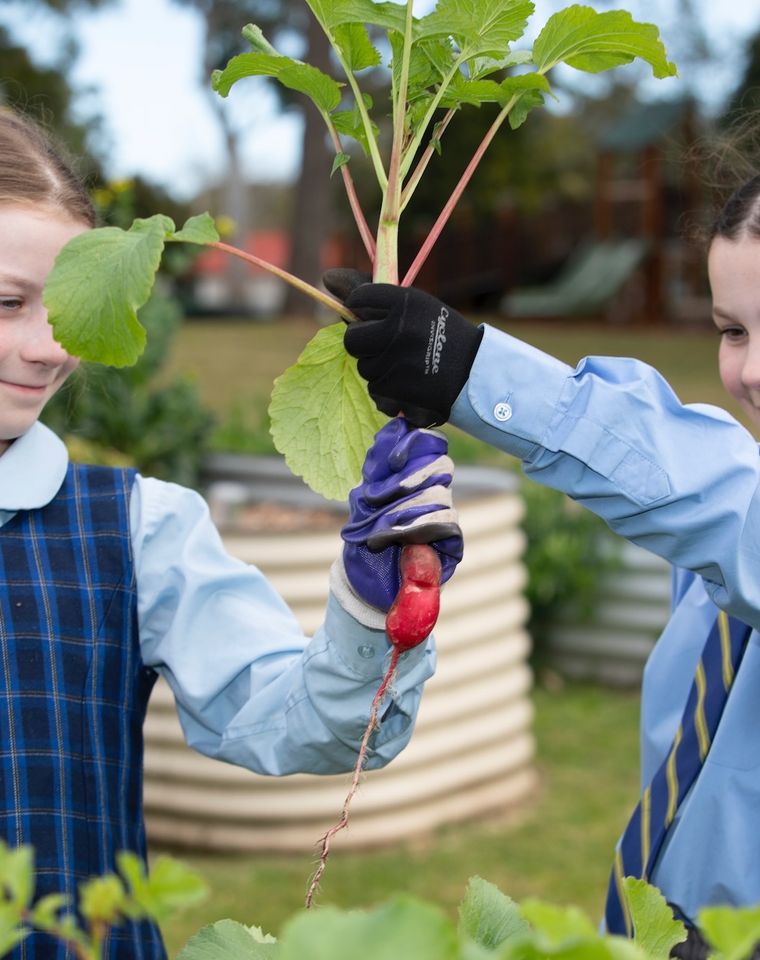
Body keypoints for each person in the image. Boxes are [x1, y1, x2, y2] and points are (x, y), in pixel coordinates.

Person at [0, 108, 464, 960]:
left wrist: (370, 612)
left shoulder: (137, 530)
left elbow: (296, 724)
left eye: (66, 304)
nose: (45, 347)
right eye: (5, 302)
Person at [324, 172, 760, 960]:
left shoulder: (733, 515)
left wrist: (471, 372)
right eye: (734, 331)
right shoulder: (710, 546)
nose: (752, 372)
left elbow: (735, 512)